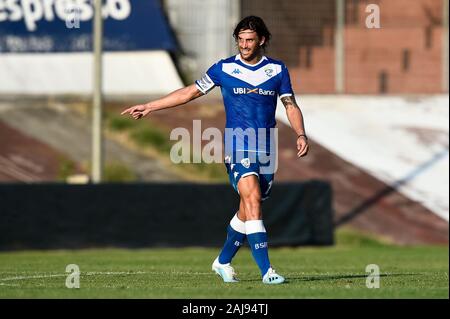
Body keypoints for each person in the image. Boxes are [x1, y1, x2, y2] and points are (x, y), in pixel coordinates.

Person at [121, 16, 309, 284]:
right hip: (237, 143)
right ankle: (267, 271)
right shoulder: (224, 69)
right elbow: (190, 92)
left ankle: (222, 262)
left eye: (249, 40)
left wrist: (300, 133)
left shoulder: (277, 71)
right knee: (253, 198)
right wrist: (151, 106)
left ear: (262, 40)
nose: (244, 45)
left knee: (248, 209)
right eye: (240, 40)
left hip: (267, 147)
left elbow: (290, 104)